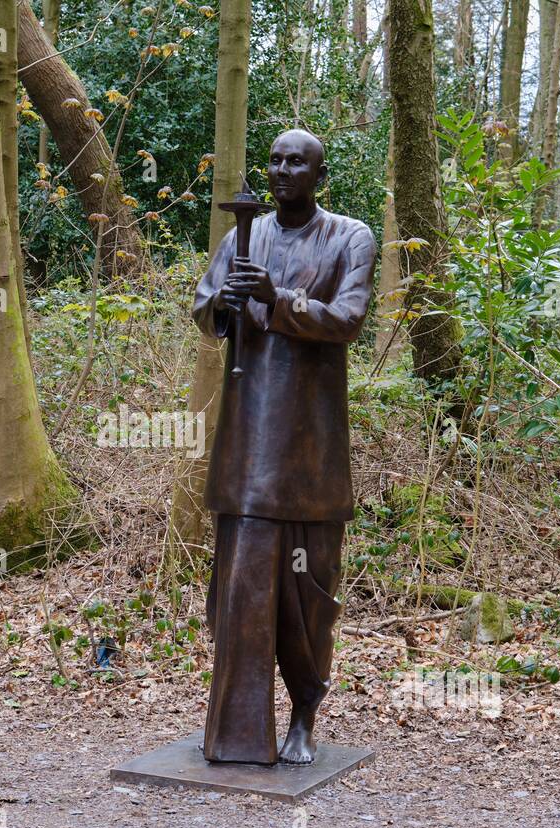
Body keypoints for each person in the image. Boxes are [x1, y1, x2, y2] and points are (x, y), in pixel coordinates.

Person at [192, 128, 377, 764]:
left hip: (310, 455)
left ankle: (303, 713)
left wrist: (282, 299)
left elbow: (348, 318)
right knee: (239, 594)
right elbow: (205, 308)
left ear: (318, 175)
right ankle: (235, 728)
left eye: (295, 162)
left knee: (306, 601)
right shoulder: (243, 236)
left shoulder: (350, 237)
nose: (280, 170)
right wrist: (225, 300)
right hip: (246, 449)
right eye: (273, 160)